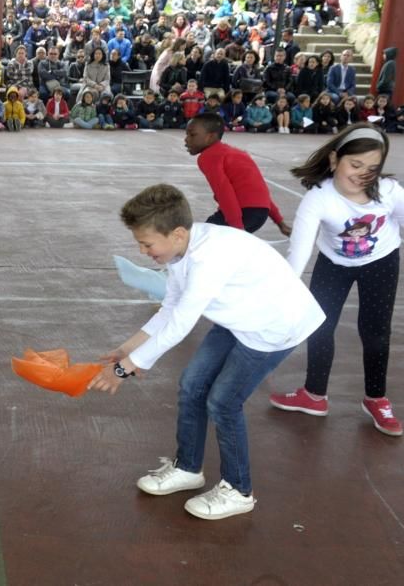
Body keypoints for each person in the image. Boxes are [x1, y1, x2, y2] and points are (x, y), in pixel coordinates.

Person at [88, 183, 324, 520]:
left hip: (274, 326)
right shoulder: (182, 250)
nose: (142, 251)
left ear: (178, 234)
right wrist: (129, 348)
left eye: (146, 243)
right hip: (239, 317)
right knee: (192, 385)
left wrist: (125, 369)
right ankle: (188, 468)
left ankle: (238, 490)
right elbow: (171, 305)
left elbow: (181, 324)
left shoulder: (208, 258)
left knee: (223, 402)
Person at [270, 125, 403, 436]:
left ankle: (376, 398)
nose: (362, 175)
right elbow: (299, 253)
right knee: (319, 324)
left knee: (375, 332)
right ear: (334, 160)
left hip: (381, 261)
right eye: (355, 165)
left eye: (372, 168)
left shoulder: (389, 192)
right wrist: (281, 296)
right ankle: (314, 395)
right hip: (334, 263)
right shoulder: (319, 198)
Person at [183, 113, 291, 235]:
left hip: (243, 213)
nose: (186, 139)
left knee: (203, 236)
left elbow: (224, 191)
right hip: (261, 214)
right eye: (186, 134)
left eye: (192, 135)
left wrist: (237, 229)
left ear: (211, 137)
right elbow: (260, 193)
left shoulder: (208, 156)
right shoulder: (237, 153)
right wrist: (280, 222)